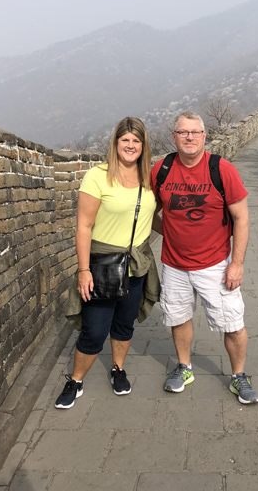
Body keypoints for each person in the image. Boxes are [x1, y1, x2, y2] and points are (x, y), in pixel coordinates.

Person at [150, 111, 258, 404]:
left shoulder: (222, 169)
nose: (189, 137)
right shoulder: (161, 169)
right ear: (173, 137)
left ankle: (238, 375)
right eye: (183, 132)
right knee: (178, 316)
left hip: (215, 263)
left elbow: (242, 219)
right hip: (174, 264)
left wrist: (236, 263)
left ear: (204, 136)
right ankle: (184, 367)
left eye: (195, 132)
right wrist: (169, 233)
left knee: (232, 322)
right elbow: (149, 211)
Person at [55, 117, 159, 409]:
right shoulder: (97, 176)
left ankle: (117, 369)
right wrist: (83, 269)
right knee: (95, 330)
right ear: (115, 143)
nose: (130, 145)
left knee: (124, 324)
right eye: (125, 140)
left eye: (136, 140)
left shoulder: (148, 178)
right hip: (102, 265)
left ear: (143, 145)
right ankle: (75, 380)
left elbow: (153, 218)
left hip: (137, 264)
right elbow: (84, 226)